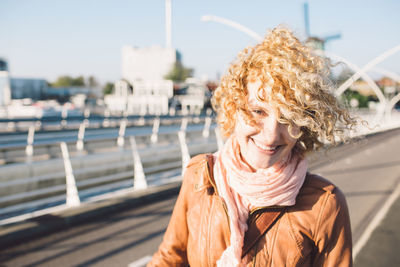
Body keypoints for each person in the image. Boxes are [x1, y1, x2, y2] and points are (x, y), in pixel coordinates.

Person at [148, 26, 355, 267]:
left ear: (305, 124)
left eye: (289, 119)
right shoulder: (199, 176)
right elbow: (170, 257)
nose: (270, 135)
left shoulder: (325, 204)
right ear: (234, 107)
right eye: (258, 111)